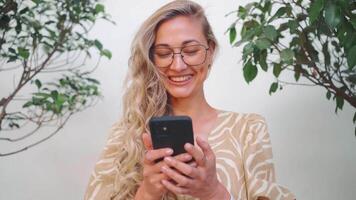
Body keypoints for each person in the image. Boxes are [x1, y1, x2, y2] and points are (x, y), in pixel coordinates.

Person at [84, 1, 295, 199]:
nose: (177, 66)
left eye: (191, 51)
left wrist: (214, 193)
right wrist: (147, 192)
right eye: (164, 53)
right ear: (152, 59)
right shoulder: (126, 135)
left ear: (210, 51)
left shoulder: (248, 129)